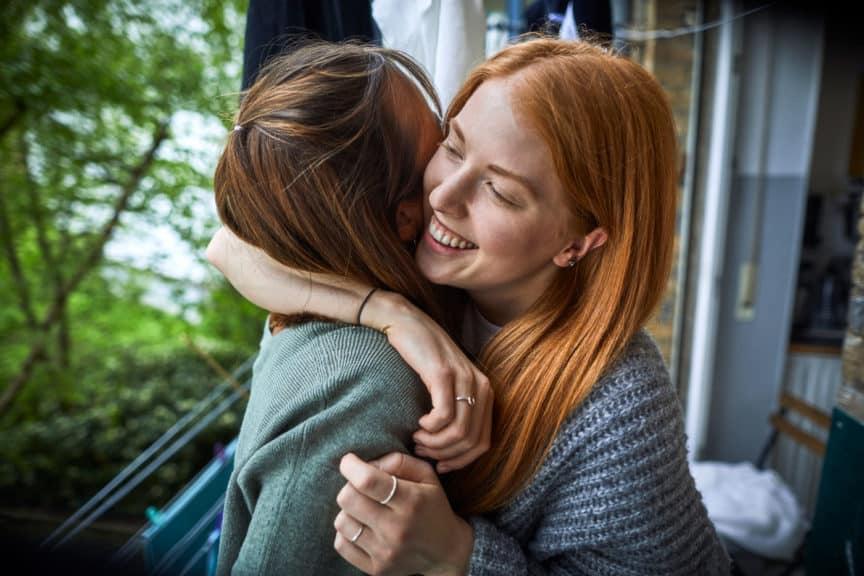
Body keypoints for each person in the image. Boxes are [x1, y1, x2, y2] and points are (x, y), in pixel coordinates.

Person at [209, 38, 732, 575]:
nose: (442, 196)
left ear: (578, 242)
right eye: (453, 147)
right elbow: (230, 245)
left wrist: (458, 555)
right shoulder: (419, 257)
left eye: (501, 192)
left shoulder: (618, 407)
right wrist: (389, 312)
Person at [209, 41, 492, 576]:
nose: (450, 135)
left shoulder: (295, 293)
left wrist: (381, 308)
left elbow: (224, 244)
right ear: (407, 217)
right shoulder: (362, 385)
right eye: (441, 138)